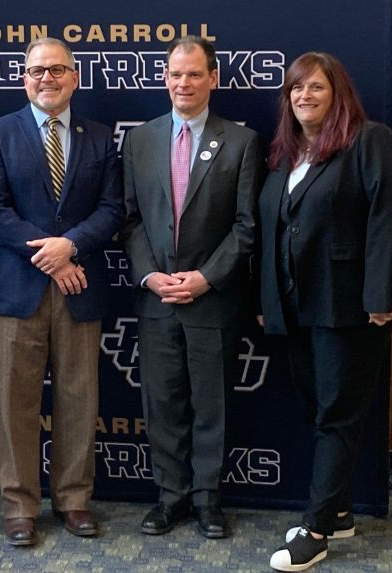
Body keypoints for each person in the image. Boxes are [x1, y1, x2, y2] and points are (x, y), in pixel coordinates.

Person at [258, 52, 392, 572]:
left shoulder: (368, 140)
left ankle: (317, 530)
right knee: (318, 411)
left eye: (316, 88)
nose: (304, 96)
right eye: (296, 89)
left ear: (336, 92)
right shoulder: (285, 153)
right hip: (300, 307)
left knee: (337, 417)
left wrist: (378, 299)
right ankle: (340, 509)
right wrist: (269, 302)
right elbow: (277, 232)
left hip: (352, 308)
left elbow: (389, 218)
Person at [0, 37, 123, 546]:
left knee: (80, 399)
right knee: (13, 402)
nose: (47, 79)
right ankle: (19, 506)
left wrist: (70, 246)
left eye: (57, 70)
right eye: (37, 70)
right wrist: (51, 257)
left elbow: (112, 210)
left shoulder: (100, 137)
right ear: (24, 78)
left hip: (79, 285)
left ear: (74, 78)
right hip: (17, 288)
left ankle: (75, 500)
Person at [121, 36, 265, 539]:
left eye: (194, 74)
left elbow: (248, 226)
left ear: (213, 79)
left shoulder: (241, 143)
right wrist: (150, 275)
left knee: (212, 404)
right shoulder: (140, 140)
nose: (184, 83)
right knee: (163, 405)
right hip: (156, 298)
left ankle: (207, 500)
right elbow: (130, 220)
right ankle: (171, 497)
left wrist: (206, 277)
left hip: (212, 299)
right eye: (175, 74)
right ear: (165, 78)